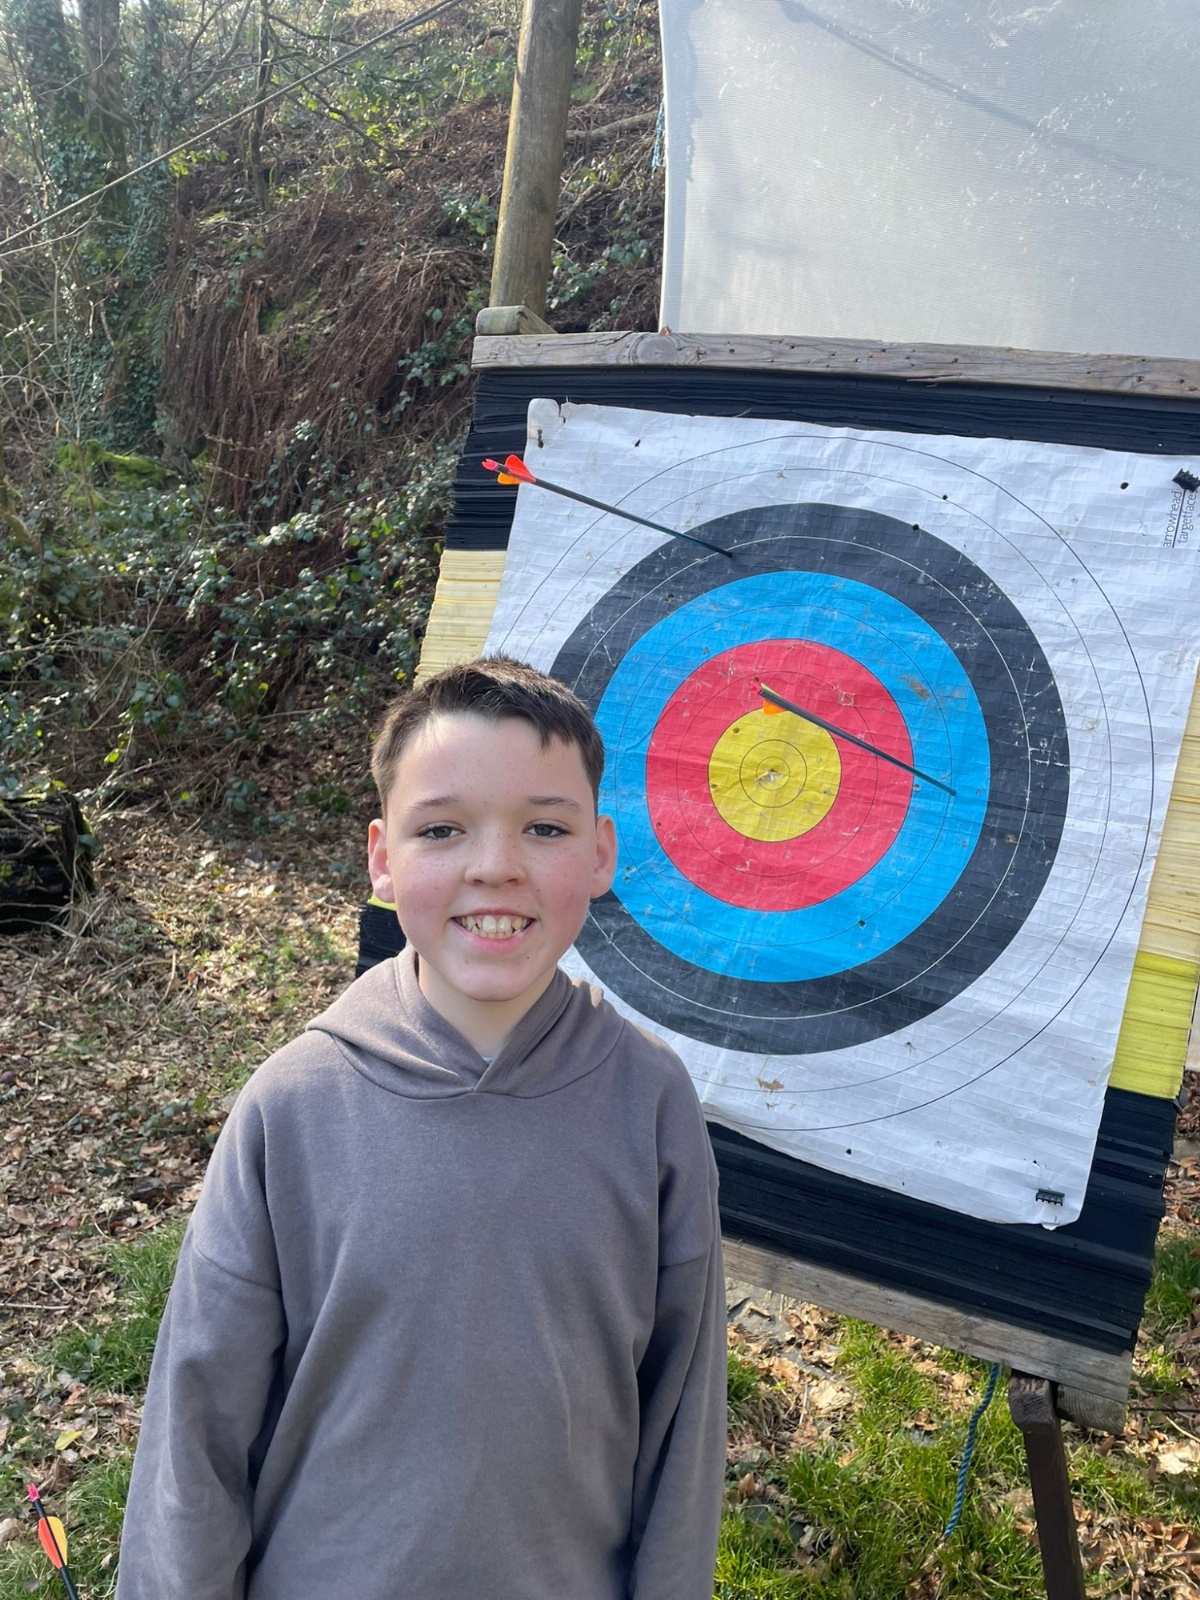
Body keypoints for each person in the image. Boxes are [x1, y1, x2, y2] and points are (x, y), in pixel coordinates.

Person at [116, 655, 727, 1600]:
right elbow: (196, 1435)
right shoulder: (292, 1105)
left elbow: (684, 1422)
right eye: (442, 828)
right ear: (382, 858)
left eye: (545, 827)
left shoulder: (651, 1103)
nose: (496, 865)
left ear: (602, 851)